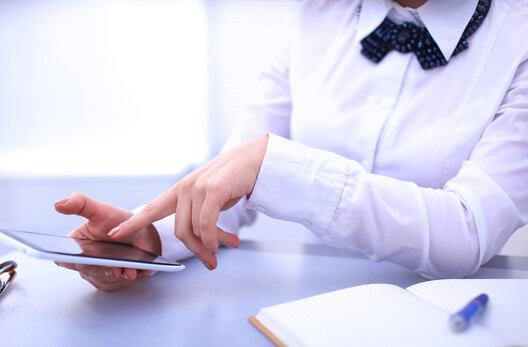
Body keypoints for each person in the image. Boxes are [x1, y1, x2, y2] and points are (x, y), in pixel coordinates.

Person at [55, 0, 528, 291]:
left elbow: (468, 230)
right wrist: (151, 239)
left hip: (451, 326)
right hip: (310, 316)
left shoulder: (519, 38)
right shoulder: (313, 15)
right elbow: (230, 185)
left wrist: (282, 169)